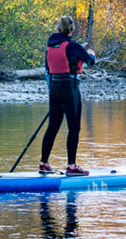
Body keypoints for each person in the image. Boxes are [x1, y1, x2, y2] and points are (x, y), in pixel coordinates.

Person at [40, 15, 96, 175]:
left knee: (52, 127)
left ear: (58, 29)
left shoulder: (49, 46)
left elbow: (47, 70)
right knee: (74, 128)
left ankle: (44, 163)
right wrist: (91, 53)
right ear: (72, 30)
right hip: (70, 89)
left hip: (54, 89)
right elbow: (90, 62)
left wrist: (51, 91)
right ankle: (72, 166)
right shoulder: (73, 46)